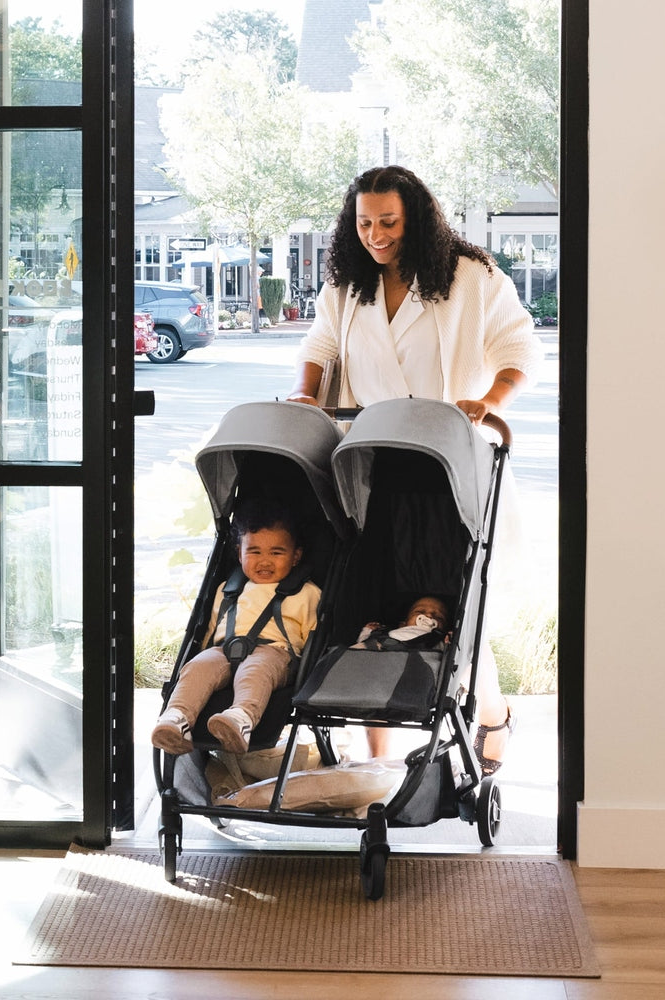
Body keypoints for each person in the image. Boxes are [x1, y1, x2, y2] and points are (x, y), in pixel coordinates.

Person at [287, 165, 541, 775]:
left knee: (456, 604)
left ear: (417, 219)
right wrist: (304, 394)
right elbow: (320, 348)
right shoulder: (348, 286)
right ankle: (375, 764)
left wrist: (489, 402)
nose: (376, 235)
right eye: (364, 223)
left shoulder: (469, 276)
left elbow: (519, 349)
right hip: (369, 463)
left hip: (445, 462)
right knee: (372, 600)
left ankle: (491, 713)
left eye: (389, 222)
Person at [151, 498, 321, 756]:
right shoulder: (227, 589)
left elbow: (313, 636)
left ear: (295, 556)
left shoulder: (306, 593)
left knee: (255, 669)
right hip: (224, 649)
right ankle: (176, 718)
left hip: (276, 654)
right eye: (254, 552)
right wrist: (206, 652)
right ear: (239, 553)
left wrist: (306, 670)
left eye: (276, 553)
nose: (265, 561)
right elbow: (212, 629)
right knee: (197, 667)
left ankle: (241, 718)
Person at [354, 595, 450, 650]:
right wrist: (367, 631)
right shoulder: (389, 633)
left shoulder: (440, 640)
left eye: (439, 617)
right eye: (420, 612)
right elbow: (364, 643)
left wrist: (449, 641)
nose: (429, 616)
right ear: (403, 625)